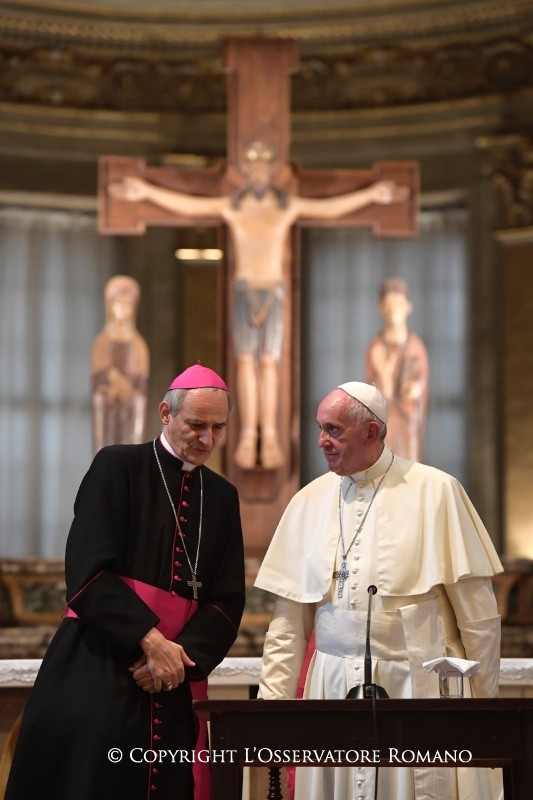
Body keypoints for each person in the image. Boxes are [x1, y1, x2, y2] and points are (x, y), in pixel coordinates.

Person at [5, 364, 245, 800]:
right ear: (165, 413)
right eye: (196, 424)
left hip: (174, 679)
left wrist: (178, 660)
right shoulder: (117, 467)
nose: (206, 439)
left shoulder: (223, 497)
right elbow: (88, 572)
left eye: (218, 427)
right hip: (101, 660)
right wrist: (149, 642)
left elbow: (227, 600)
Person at [255, 381, 503, 800]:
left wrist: (482, 715)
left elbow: (479, 618)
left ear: (372, 432)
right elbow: (287, 626)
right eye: (320, 428)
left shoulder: (437, 491)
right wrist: (270, 712)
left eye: (334, 430)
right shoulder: (308, 501)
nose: (322, 441)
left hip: (417, 687)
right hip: (331, 689)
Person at [109, 141, 409, 471]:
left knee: (269, 365)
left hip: (273, 293)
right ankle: (249, 435)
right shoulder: (234, 208)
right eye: (253, 167)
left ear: (271, 172)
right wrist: (145, 192)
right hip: (244, 291)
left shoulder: (285, 208)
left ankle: (271, 437)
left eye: (265, 167)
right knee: (245, 365)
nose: (259, 173)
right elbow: (190, 206)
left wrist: (371, 196)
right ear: (247, 172)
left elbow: (328, 208)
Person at [366, 277, 429, 460]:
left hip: (408, 421)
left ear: (408, 307)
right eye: (389, 304)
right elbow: (374, 390)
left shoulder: (415, 346)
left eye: (398, 304)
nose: (394, 310)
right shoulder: (376, 347)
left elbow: (418, 387)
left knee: (409, 467)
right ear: (380, 307)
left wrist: (414, 389)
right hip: (384, 423)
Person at [91, 274, 150, 452]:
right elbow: (97, 381)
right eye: (118, 304)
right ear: (109, 306)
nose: (123, 310)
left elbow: (141, 385)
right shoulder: (102, 342)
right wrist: (109, 389)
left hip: (128, 410)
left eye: (128, 304)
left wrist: (128, 391)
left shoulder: (138, 345)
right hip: (108, 407)